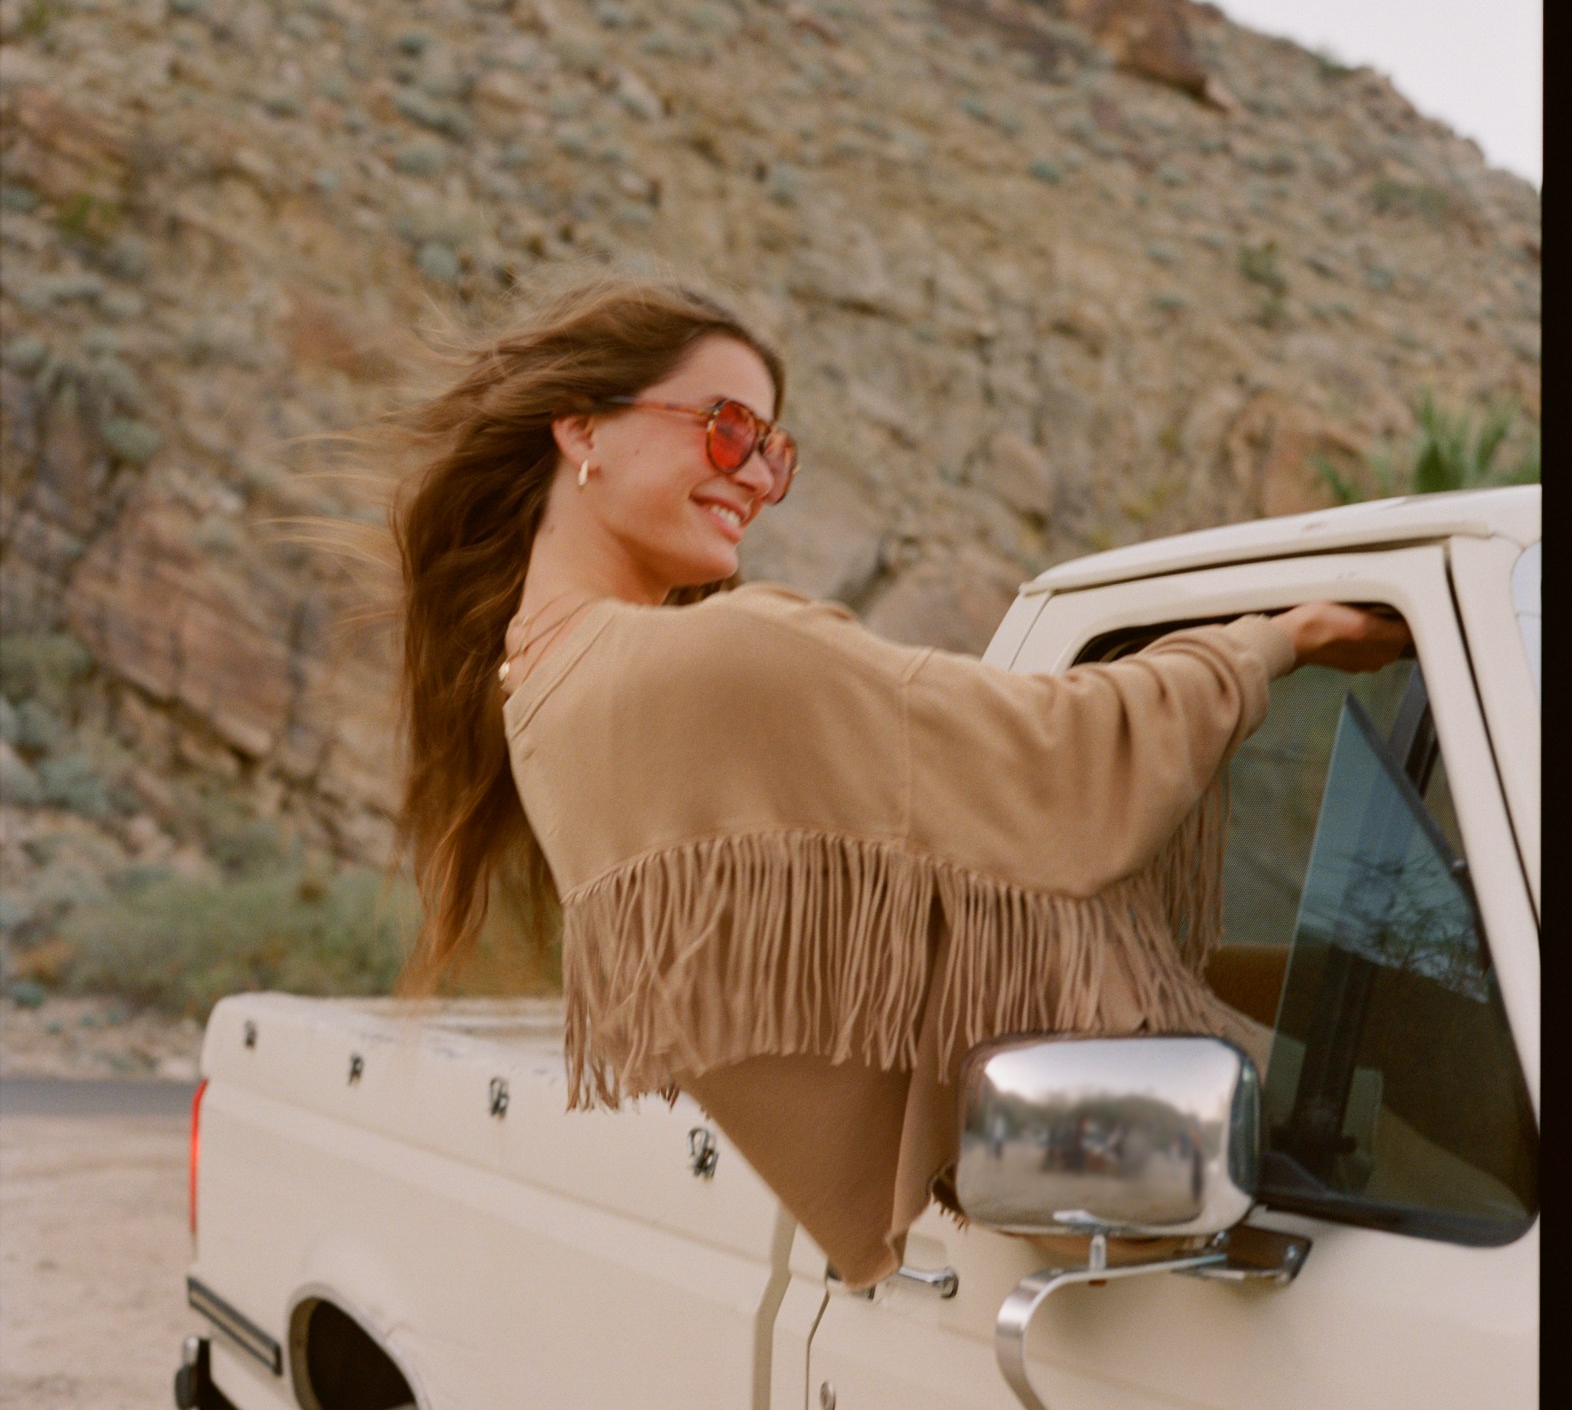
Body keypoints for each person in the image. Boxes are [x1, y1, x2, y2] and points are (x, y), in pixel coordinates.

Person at [390, 271, 1410, 1286]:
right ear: (583, 432)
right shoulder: (720, 657)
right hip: (1160, 1161)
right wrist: (1277, 640)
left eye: (774, 453)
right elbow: (1060, 758)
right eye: (728, 427)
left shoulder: (536, 692)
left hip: (1033, 1179)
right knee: (1420, 1071)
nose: (755, 475)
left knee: (1376, 995)